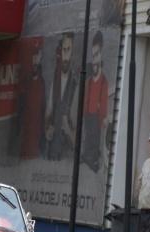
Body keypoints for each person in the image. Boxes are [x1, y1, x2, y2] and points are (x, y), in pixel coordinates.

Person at [45, 31, 79, 161]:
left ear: (72, 51)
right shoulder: (55, 82)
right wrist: (47, 128)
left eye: (68, 49)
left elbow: (75, 136)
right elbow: (48, 112)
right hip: (52, 153)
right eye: (64, 49)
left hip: (65, 157)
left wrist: (68, 130)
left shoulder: (74, 86)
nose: (65, 54)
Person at [81, 31, 109, 173]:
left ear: (101, 53)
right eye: (93, 56)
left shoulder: (104, 85)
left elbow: (104, 126)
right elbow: (83, 122)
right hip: (85, 151)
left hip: (95, 155)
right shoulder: (88, 84)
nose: (94, 60)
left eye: (96, 55)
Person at [18, 38, 46, 160]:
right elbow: (21, 106)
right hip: (25, 134)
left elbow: (43, 108)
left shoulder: (42, 83)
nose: (35, 59)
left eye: (37, 55)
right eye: (33, 55)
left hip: (36, 134)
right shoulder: (27, 81)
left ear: (40, 57)